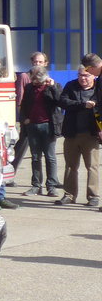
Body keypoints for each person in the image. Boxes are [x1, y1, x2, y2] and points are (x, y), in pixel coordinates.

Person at [57, 65, 101, 207]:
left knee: (92, 167)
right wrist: (83, 105)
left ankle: (93, 196)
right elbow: (63, 102)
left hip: (91, 134)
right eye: (80, 75)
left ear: (93, 76)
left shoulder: (98, 88)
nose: (83, 78)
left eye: (86, 75)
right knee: (70, 166)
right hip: (72, 133)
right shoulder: (71, 86)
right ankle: (69, 195)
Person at [17, 64, 63, 200]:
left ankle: (51, 186)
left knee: (50, 157)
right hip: (32, 126)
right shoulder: (29, 87)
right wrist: (24, 119)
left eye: (36, 80)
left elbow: (59, 101)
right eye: (33, 79)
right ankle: (36, 185)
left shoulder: (53, 86)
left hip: (48, 126)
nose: (34, 82)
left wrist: (52, 86)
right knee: (35, 157)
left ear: (44, 78)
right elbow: (24, 105)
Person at [12, 51, 47, 178]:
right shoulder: (24, 77)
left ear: (45, 63)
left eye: (40, 62)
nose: (37, 64)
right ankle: (10, 171)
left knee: (48, 152)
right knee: (23, 144)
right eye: (35, 61)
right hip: (29, 119)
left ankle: (52, 180)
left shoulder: (46, 78)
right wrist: (24, 118)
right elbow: (20, 99)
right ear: (31, 62)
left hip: (43, 120)